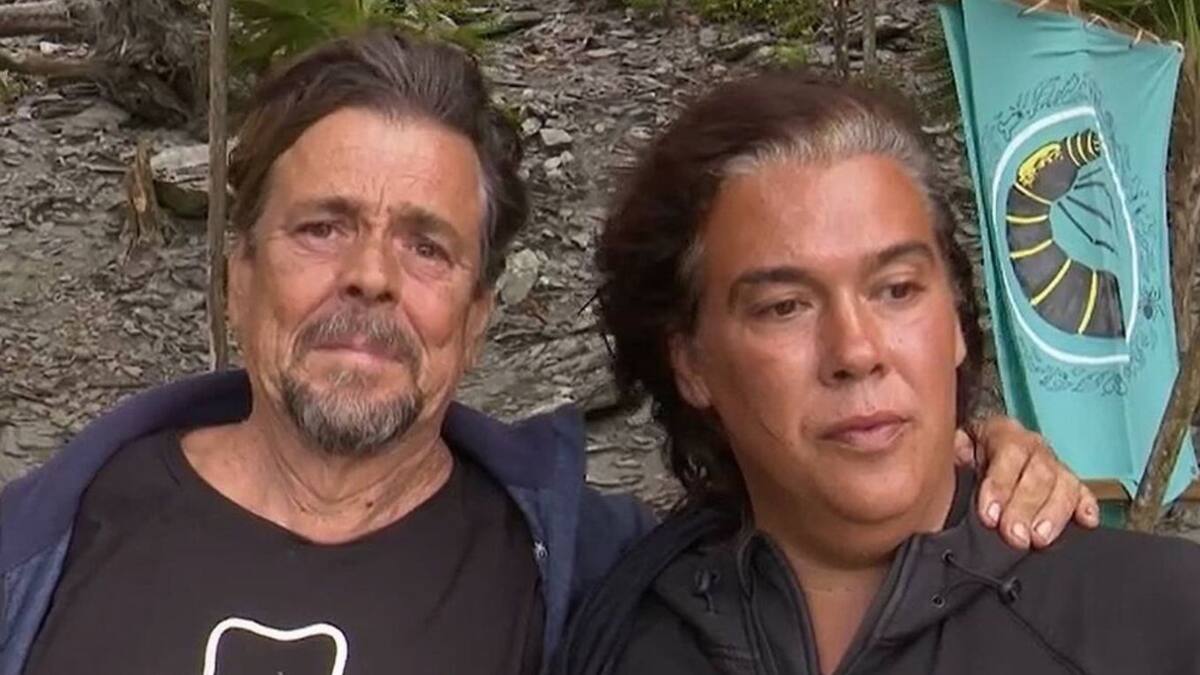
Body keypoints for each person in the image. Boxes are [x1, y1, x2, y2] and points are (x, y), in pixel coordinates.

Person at [0, 32, 1092, 675]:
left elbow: (824, 516)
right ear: (237, 274)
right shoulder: (38, 547)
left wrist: (970, 454)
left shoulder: (600, 575)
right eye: (322, 228)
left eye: (426, 246)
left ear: (478, 313)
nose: (371, 278)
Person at [556, 72, 1200, 675]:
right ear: (691, 363)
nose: (857, 350)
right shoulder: (615, 633)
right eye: (785, 307)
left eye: (897, 289)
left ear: (955, 319)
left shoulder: (1164, 619)